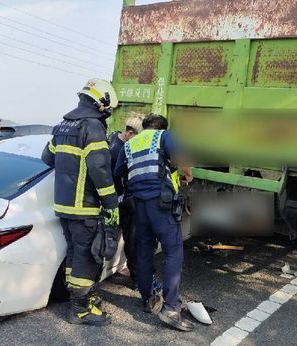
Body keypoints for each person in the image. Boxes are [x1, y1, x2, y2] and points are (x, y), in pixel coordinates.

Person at [114, 114, 212, 331]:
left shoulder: (129, 145)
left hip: (138, 205)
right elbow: (182, 159)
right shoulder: (163, 136)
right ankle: (170, 309)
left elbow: (118, 171)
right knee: (173, 252)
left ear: (145, 127)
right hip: (161, 204)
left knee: (144, 252)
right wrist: (188, 175)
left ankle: (147, 298)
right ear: (161, 128)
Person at [41, 79, 120, 326]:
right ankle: (80, 309)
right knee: (87, 257)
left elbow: (47, 158)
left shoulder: (62, 126)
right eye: (108, 108)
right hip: (84, 206)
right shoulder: (93, 127)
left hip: (63, 206)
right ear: (102, 102)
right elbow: (100, 169)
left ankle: (81, 298)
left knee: (75, 255)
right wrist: (111, 205)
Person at [108, 114, 145, 290]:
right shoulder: (120, 149)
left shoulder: (112, 139)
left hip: (114, 198)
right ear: (130, 133)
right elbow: (117, 175)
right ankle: (136, 277)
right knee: (132, 238)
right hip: (119, 200)